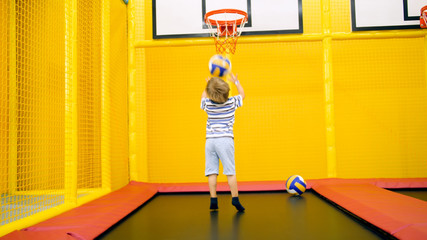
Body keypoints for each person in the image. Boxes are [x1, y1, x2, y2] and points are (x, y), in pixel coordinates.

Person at [200, 73, 245, 212]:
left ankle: (213, 200)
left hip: (210, 142)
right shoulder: (232, 102)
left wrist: (207, 87)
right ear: (226, 92)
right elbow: (242, 95)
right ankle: (235, 198)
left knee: (212, 172)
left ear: (210, 93)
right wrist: (236, 82)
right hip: (225, 141)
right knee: (230, 172)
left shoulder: (207, 104)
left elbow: (203, 97)